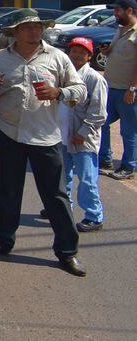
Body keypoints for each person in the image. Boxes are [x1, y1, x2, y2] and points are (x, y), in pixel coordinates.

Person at [0, 8, 88, 277]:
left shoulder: (57, 57)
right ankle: (3, 240)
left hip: (45, 137)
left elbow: (80, 90)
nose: (33, 31)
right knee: (7, 191)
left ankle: (67, 251)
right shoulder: (1, 59)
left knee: (56, 196)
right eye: (27, 27)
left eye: (37, 26)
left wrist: (58, 92)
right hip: (9, 133)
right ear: (15, 31)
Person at [59, 37, 107, 232]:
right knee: (62, 176)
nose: (77, 55)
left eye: (82, 52)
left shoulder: (95, 79)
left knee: (87, 179)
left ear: (89, 56)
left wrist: (83, 132)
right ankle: (64, 208)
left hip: (83, 139)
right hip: (63, 135)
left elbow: (99, 113)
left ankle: (94, 216)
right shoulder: (64, 76)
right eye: (74, 51)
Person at [99, 0, 137, 180]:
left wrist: (132, 89)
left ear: (129, 11)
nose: (114, 14)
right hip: (110, 88)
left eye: (117, 11)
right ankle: (104, 159)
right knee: (101, 122)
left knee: (128, 131)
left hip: (127, 91)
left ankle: (128, 167)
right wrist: (108, 51)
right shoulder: (120, 30)